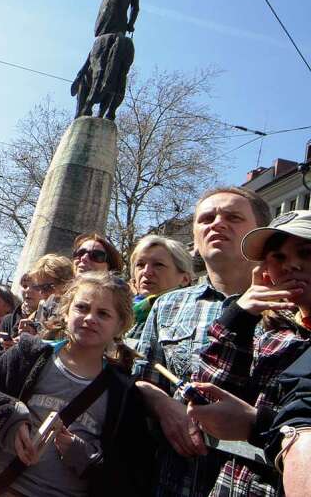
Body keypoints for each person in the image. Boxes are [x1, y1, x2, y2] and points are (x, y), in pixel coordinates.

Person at [0, 273, 154, 497]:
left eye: (103, 314)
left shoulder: (122, 394)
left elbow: (129, 473)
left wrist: (88, 459)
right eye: (82, 308)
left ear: (120, 325)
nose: (90, 318)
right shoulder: (29, 356)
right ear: (66, 313)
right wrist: (6, 418)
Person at [133, 186, 270, 497]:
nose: (217, 223)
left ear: (262, 234)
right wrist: (162, 404)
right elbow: (142, 378)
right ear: (194, 239)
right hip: (171, 483)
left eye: (233, 217)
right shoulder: (167, 305)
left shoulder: (292, 307)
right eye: (206, 218)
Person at [183, 210, 311, 496]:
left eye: (306, 252)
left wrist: (258, 425)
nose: (291, 265)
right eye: (277, 258)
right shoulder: (272, 335)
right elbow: (208, 394)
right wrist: (240, 314)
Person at [126, 235, 194, 340]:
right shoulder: (121, 315)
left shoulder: (192, 316)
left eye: (158, 265)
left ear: (185, 279)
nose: (146, 272)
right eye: (140, 265)